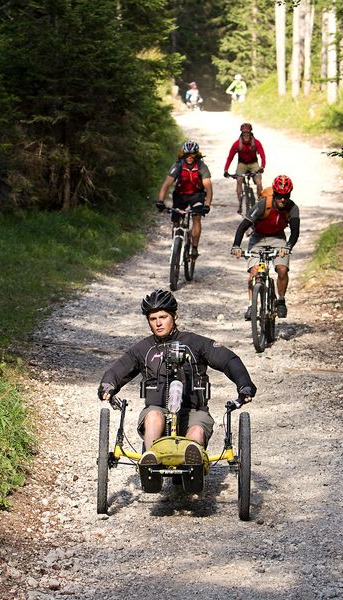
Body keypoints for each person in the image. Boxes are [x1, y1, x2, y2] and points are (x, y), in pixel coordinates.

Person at [98, 289, 256, 493]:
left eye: (163, 317)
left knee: (196, 432)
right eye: (153, 318)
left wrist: (244, 385)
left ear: (175, 316)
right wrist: (108, 384)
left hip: (193, 413)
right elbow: (119, 369)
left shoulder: (196, 343)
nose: (158, 323)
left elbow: (228, 360)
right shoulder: (143, 349)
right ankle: (151, 462)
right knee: (153, 415)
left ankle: (192, 469)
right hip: (158, 415)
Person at [231, 175, 300, 321]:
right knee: (254, 273)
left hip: (278, 238)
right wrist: (236, 246)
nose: (283, 199)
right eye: (280, 196)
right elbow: (243, 226)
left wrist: (288, 247)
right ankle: (251, 305)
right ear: (274, 194)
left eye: (286, 196)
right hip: (258, 238)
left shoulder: (292, 208)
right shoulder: (263, 205)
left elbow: (295, 232)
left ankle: (280, 300)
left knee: (282, 269)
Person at [156, 140, 212, 259]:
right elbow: (166, 184)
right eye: (187, 155)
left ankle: (194, 248)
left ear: (196, 155)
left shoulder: (202, 167)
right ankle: (176, 245)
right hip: (180, 195)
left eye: (192, 155)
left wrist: (207, 205)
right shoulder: (179, 165)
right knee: (176, 221)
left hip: (197, 195)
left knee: (196, 217)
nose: (189, 157)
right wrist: (160, 201)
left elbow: (208, 187)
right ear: (183, 155)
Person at [224, 122, 266, 214]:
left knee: (259, 183)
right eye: (244, 133)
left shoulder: (256, 143)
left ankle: (260, 202)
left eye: (248, 133)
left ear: (251, 133)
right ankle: (240, 203)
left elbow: (262, 155)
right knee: (239, 180)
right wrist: (226, 170)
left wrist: (262, 166)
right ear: (242, 134)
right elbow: (230, 157)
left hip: (253, 163)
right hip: (242, 164)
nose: (246, 135)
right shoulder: (237, 144)